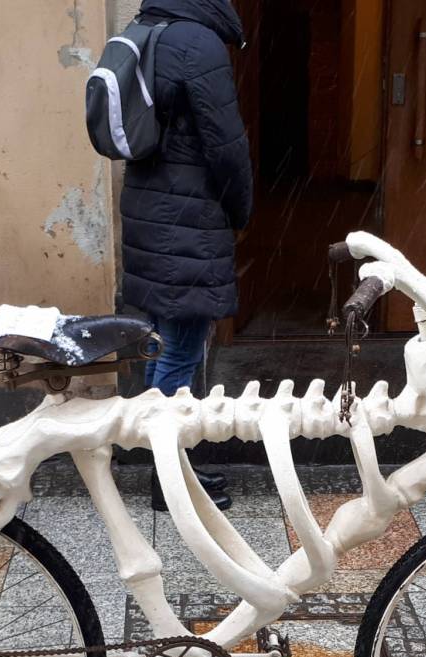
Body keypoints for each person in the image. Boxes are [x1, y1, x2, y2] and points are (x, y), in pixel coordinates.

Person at [119, 0, 253, 512]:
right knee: (179, 350)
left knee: (164, 344)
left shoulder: (148, 30)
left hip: (151, 208)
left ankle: (168, 468)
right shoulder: (197, 43)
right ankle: (169, 480)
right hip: (187, 217)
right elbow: (226, 145)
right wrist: (240, 210)